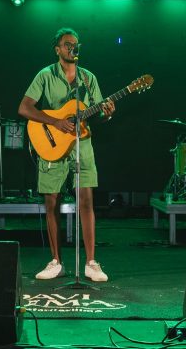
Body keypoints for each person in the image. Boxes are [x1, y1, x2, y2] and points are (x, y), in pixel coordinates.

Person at [18, 28, 114, 282]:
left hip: (83, 144)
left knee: (86, 200)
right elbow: (24, 107)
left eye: (75, 44)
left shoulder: (88, 77)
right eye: (67, 44)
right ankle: (55, 262)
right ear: (58, 49)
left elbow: (100, 113)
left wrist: (107, 112)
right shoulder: (45, 75)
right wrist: (55, 122)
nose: (72, 47)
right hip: (53, 143)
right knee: (52, 202)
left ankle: (91, 263)